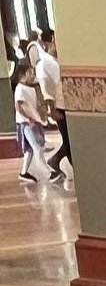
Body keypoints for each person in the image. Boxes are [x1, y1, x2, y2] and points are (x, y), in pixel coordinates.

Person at [32, 30, 68, 183]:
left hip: (66, 105)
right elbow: (46, 90)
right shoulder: (45, 64)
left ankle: (55, 160)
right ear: (51, 42)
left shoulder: (57, 61)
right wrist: (52, 110)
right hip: (59, 107)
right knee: (70, 143)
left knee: (69, 142)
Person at [13, 62, 48, 183]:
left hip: (29, 122)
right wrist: (29, 119)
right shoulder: (20, 89)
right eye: (30, 73)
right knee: (37, 147)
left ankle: (23, 173)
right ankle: (49, 172)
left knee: (30, 150)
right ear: (23, 75)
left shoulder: (29, 88)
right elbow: (19, 106)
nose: (33, 75)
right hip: (26, 124)